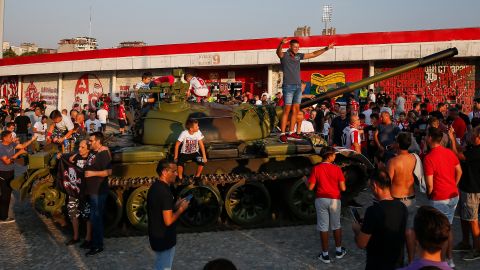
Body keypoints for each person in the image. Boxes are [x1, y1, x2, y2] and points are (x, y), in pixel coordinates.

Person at [276, 38, 334, 143]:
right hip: (288, 86)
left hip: (298, 86)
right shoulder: (284, 55)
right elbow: (278, 52)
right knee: (287, 109)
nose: (297, 49)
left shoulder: (298, 56)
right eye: (295, 47)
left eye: (298, 47)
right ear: (290, 47)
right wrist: (281, 43)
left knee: (296, 110)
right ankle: (283, 133)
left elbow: (313, 54)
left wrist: (326, 48)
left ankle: (291, 132)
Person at [351, 170, 408, 270]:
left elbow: (361, 243)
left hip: (377, 264)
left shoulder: (373, 211)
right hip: (397, 264)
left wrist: (356, 229)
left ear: (375, 185)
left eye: (370, 187)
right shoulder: (402, 207)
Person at [423, 127, 462, 268]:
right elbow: (459, 171)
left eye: (426, 135)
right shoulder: (449, 153)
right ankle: (449, 259)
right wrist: (453, 184)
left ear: (430, 138)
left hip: (440, 197)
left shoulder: (429, 158)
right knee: (448, 228)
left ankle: (441, 261)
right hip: (452, 194)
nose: (425, 137)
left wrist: (428, 194)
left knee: (439, 232)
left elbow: (429, 184)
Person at [147, 159, 189, 270]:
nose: (176, 174)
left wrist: (175, 205)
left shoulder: (155, 187)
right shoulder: (165, 192)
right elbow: (168, 221)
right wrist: (181, 209)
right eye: (174, 171)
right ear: (164, 172)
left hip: (156, 235)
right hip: (164, 238)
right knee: (164, 267)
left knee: (159, 264)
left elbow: (162, 208)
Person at [307, 146, 347, 263]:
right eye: (334, 154)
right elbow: (343, 188)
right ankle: (339, 251)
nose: (335, 156)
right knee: (336, 225)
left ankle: (325, 255)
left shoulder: (316, 168)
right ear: (329, 156)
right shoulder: (337, 169)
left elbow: (310, 187)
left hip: (321, 199)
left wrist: (305, 181)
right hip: (335, 199)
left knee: (323, 227)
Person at [449, 125, 480, 260]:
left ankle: (477, 249)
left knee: (473, 220)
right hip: (466, 187)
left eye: (474, 134)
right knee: (464, 216)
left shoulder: (477, 151)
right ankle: (466, 242)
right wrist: (453, 137)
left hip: (473, 189)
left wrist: (451, 139)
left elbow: (458, 155)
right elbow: (461, 150)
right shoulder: (473, 148)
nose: (472, 135)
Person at [386, 132, 417, 263]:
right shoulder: (414, 158)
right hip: (411, 197)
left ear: (398, 144)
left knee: (395, 232)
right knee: (409, 231)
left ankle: (398, 260)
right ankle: (411, 261)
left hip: (396, 199)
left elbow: (388, 182)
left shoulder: (393, 161)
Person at [84, 132, 112, 256]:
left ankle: (97, 245)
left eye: (91, 140)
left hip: (98, 191)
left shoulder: (103, 154)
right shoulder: (95, 152)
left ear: (98, 141)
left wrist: (92, 174)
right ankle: (93, 241)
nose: (89, 142)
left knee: (96, 218)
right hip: (92, 190)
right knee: (93, 217)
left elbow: (108, 171)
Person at [61, 140, 93, 248]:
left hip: (86, 191)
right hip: (74, 190)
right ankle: (76, 237)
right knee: (72, 212)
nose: (79, 149)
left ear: (88, 149)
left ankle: (88, 238)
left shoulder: (91, 159)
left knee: (87, 214)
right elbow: (68, 159)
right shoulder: (77, 156)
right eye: (79, 147)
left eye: (82, 147)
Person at [0, 131, 37, 222]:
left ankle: (3, 215)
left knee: (7, 193)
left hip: (10, 171)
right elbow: (7, 162)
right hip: (3, 173)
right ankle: (3, 217)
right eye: (10, 137)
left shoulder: (11, 144)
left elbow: (22, 146)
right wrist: (18, 153)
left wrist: (32, 139)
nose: (12, 138)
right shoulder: (1, 148)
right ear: (4, 138)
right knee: (5, 195)